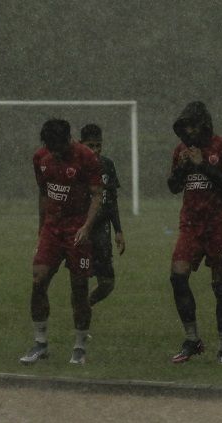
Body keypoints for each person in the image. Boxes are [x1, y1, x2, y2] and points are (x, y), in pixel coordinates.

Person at [20, 118, 103, 365]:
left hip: (77, 228)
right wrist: (40, 229)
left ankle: (79, 346)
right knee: (38, 279)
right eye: (50, 147)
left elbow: (97, 195)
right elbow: (44, 193)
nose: (54, 152)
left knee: (79, 289)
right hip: (52, 229)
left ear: (69, 139)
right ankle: (40, 343)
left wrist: (87, 226)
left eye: (59, 146)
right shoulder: (41, 158)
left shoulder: (86, 157)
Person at [167, 101, 222, 364]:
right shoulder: (181, 150)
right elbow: (173, 187)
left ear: (203, 124)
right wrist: (183, 168)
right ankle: (192, 339)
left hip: (219, 227)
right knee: (177, 276)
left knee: (221, 287)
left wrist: (202, 165)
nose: (188, 132)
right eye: (184, 127)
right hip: (191, 225)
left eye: (191, 126)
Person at [79, 124, 126, 306]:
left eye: (99, 145)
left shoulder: (107, 165)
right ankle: (81, 327)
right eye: (91, 145)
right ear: (81, 144)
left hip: (102, 230)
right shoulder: (76, 167)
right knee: (80, 280)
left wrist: (119, 231)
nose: (95, 150)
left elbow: (112, 200)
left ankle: (85, 305)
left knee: (107, 284)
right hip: (81, 229)